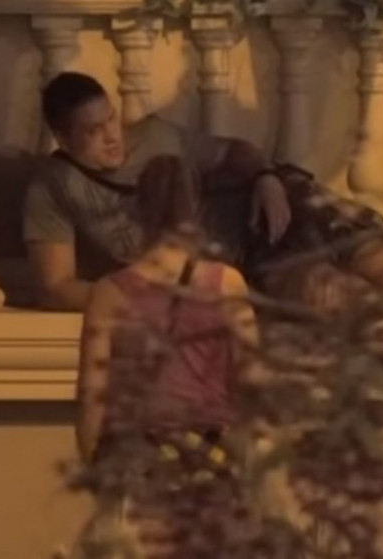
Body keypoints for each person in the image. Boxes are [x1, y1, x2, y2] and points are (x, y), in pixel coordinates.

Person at [24, 72, 383, 314]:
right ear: (62, 138)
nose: (112, 137)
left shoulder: (155, 135)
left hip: (273, 208)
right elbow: (54, 288)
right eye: (93, 131)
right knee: (340, 297)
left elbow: (234, 152)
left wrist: (266, 178)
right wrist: (136, 297)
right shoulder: (53, 186)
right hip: (248, 258)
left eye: (111, 119)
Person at [73, 155, 264, 558]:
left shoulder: (109, 292)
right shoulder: (227, 283)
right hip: (210, 456)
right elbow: (252, 383)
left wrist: (95, 465)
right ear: (197, 210)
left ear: (137, 208)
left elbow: (92, 394)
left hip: (134, 457)